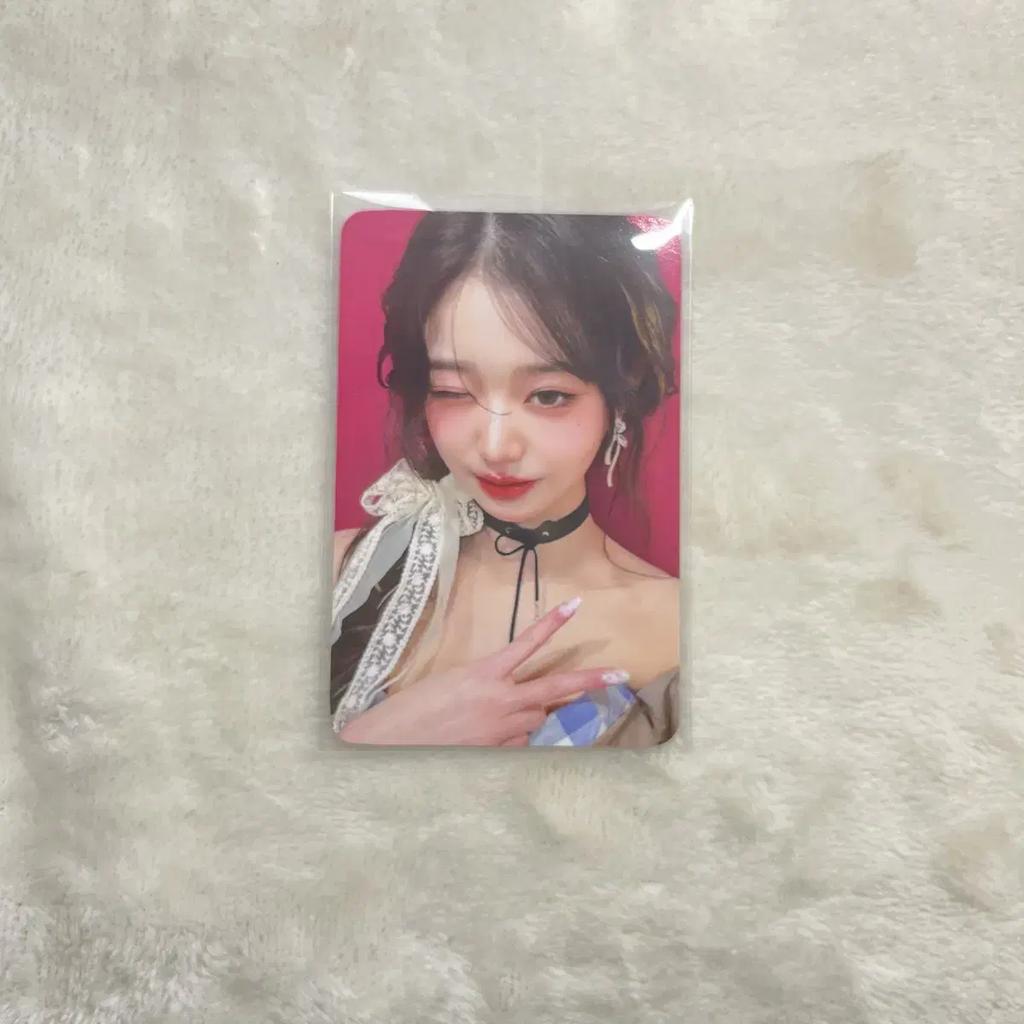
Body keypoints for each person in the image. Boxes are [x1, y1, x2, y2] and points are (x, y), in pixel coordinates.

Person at [330, 212, 681, 748]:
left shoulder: (682, 629)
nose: (496, 448)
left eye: (548, 396)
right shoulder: (337, 574)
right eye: (452, 391)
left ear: (621, 394)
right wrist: (375, 741)